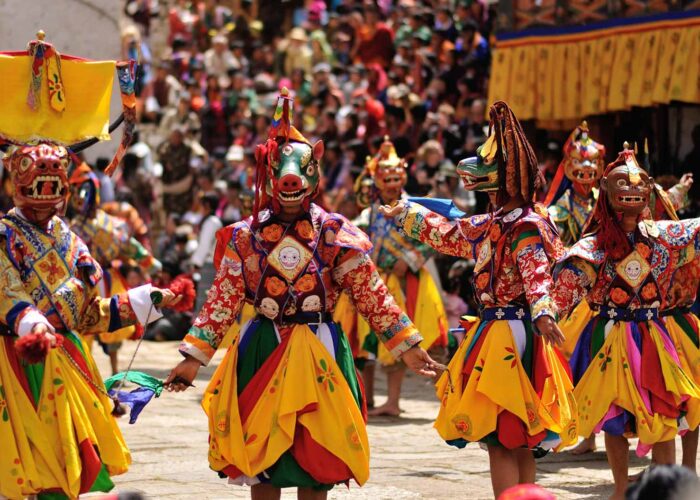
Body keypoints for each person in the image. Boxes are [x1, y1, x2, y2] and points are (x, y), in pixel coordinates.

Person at [165, 88, 437, 498]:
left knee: (317, 459)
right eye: (281, 173)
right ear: (268, 175)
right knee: (264, 460)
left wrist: (406, 344)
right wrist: (192, 358)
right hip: (263, 346)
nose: (290, 183)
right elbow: (222, 299)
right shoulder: (245, 236)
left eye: (299, 173)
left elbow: (370, 291)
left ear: (315, 174)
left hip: (321, 345)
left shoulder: (333, 232)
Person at [0, 36, 178, 497]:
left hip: (65, 359)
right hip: (13, 361)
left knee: (64, 473)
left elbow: (86, 310)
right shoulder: (3, 235)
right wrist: (33, 325)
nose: (46, 201)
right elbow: (9, 296)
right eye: (36, 189)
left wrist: (144, 301)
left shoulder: (68, 235)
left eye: (53, 188)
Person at [381, 101, 577, 497]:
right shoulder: (494, 223)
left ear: (509, 175)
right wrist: (407, 215)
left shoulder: (523, 224)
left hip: (512, 331)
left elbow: (535, 269)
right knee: (515, 432)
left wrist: (541, 311)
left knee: (501, 436)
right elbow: (451, 233)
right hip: (502, 329)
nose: (474, 169)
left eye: (489, 164)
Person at [551, 145, 700, 500]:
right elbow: (564, 289)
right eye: (622, 187)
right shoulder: (593, 246)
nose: (631, 193)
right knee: (612, 418)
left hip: (653, 334)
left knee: (663, 414)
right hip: (609, 335)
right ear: (609, 195)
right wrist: (544, 316)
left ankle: (669, 490)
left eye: (637, 187)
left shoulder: (665, 237)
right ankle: (620, 490)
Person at [351, 138, 448, 416]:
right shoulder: (368, 213)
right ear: (376, 179)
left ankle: (395, 400)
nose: (392, 182)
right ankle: (367, 398)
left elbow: (435, 238)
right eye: (386, 177)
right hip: (375, 280)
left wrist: (409, 260)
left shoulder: (413, 208)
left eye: (396, 177)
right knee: (367, 342)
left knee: (407, 337)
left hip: (410, 282)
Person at [67, 162, 162, 375]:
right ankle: (86, 370)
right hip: (88, 278)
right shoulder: (73, 227)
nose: (81, 197)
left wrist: (149, 262)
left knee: (108, 323)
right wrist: (150, 263)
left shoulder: (89, 226)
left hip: (101, 277)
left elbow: (129, 246)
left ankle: (111, 370)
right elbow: (131, 247)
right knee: (85, 327)